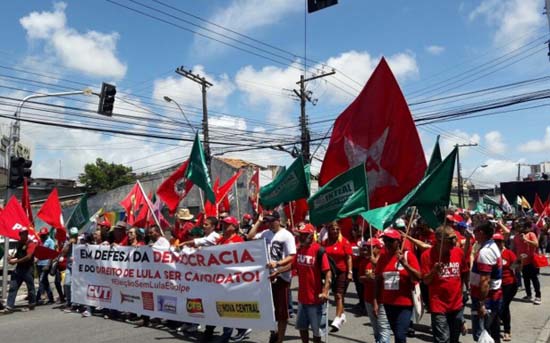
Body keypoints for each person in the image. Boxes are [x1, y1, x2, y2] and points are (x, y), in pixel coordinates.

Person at [247, 211, 296, 343]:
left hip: (281, 276)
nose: (269, 223)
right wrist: (258, 222)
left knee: (281, 312)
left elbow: (292, 256)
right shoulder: (265, 233)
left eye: (271, 221)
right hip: (267, 276)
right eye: (267, 221)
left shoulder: (287, 235)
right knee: (270, 309)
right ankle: (274, 333)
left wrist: (278, 264)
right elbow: (249, 237)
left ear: (278, 220)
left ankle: (279, 339)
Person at [421, 226, 468, 343]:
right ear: (439, 240)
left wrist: (465, 291)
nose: (454, 241)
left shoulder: (458, 252)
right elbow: (425, 281)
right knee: (442, 340)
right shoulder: (427, 255)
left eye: (455, 238)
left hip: (456, 305)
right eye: (450, 239)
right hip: (439, 306)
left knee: (454, 339)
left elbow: (464, 273)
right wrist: (434, 271)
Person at [375, 228, 421, 343]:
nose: (387, 243)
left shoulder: (408, 256)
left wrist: (405, 264)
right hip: (388, 303)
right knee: (396, 333)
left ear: (398, 242)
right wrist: (375, 301)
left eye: (390, 241)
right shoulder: (383, 258)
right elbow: (378, 280)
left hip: (405, 304)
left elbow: (419, 276)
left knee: (400, 335)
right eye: (385, 241)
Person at [292, 223, 331, 343]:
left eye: (304, 235)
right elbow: (291, 265)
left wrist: (325, 291)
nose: (301, 238)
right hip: (302, 299)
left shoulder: (319, 250)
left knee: (317, 331)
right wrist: (277, 269)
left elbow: (328, 272)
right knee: (302, 327)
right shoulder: (299, 249)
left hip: (316, 300)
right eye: (300, 235)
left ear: (311, 235)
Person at [470, 221, 502, 343]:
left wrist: (482, 303)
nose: (474, 235)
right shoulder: (491, 246)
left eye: (475, 232)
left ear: (481, 233)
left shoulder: (486, 252)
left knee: (481, 335)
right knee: (492, 332)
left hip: (486, 299)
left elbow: (484, 281)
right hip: (492, 296)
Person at [321, 221, 353, 332]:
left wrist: (350, 272)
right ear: (329, 230)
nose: (335, 231)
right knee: (335, 294)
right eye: (333, 229)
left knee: (339, 294)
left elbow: (349, 257)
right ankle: (342, 314)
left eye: (337, 229)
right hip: (330, 272)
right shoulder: (325, 242)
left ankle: (337, 319)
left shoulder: (344, 242)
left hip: (342, 272)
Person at [359, 238, 391, 343]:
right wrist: (367, 278)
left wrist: (376, 266)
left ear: (378, 248)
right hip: (368, 298)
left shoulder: (385, 260)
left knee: (383, 327)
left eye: (371, 247)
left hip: (381, 299)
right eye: (367, 247)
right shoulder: (365, 261)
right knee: (376, 328)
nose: (368, 249)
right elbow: (360, 278)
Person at [2, 227, 37, 313]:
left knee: (30, 288)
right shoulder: (19, 243)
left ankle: (32, 303)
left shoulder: (31, 244)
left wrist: (16, 261)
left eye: (23, 233)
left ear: (27, 234)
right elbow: (18, 254)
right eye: (21, 234)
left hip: (27, 269)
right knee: (13, 287)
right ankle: (9, 306)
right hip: (19, 269)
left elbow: (28, 257)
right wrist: (11, 258)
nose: (22, 235)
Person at [494, 233, 517, 342]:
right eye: (495, 241)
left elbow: (515, 267)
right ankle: (496, 328)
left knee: (503, 306)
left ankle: (507, 331)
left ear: (503, 242)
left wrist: (519, 263)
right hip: (495, 284)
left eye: (499, 241)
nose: (497, 243)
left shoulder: (508, 253)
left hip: (509, 284)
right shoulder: (492, 253)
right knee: (498, 307)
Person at [512, 220, 541, 305]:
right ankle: (529, 295)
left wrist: (526, 239)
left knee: (534, 279)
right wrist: (516, 261)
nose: (518, 228)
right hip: (522, 262)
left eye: (519, 226)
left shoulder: (531, 234)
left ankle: (538, 296)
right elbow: (515, 249)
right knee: (526, 279)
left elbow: (536, 244)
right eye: (517, 226)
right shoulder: (516, 237)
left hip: (531, 261)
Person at [36, 227, 55, 305]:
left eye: (44, 235)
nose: (42, 236)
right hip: (39, 264)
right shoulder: (40, 241)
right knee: (44, 281)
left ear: (47, 234)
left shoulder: (50, 242)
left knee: (41, 281)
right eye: (41, 235)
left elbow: (51, 254)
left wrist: (48, 265)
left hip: (46, 264)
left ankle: (37, 298)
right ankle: (51, 298)